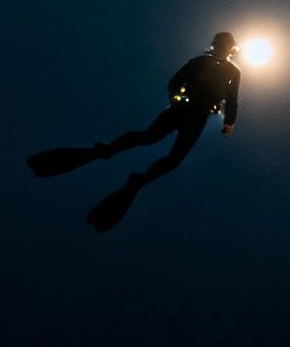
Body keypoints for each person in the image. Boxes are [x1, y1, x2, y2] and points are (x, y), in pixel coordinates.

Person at [27, 32, 243, 231]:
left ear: (230, 49)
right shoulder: (199, 62)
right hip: (182, 111)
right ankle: (107, 152)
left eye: (226, 46)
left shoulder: (233, 72)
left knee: (173, 158)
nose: (222, 49)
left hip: (197, 117)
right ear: (215, 45)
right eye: (220, 45)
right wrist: (179, 99)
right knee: (149, 138)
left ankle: (137, 178)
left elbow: (232, 99)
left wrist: (229, 122)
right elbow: (175, 82)